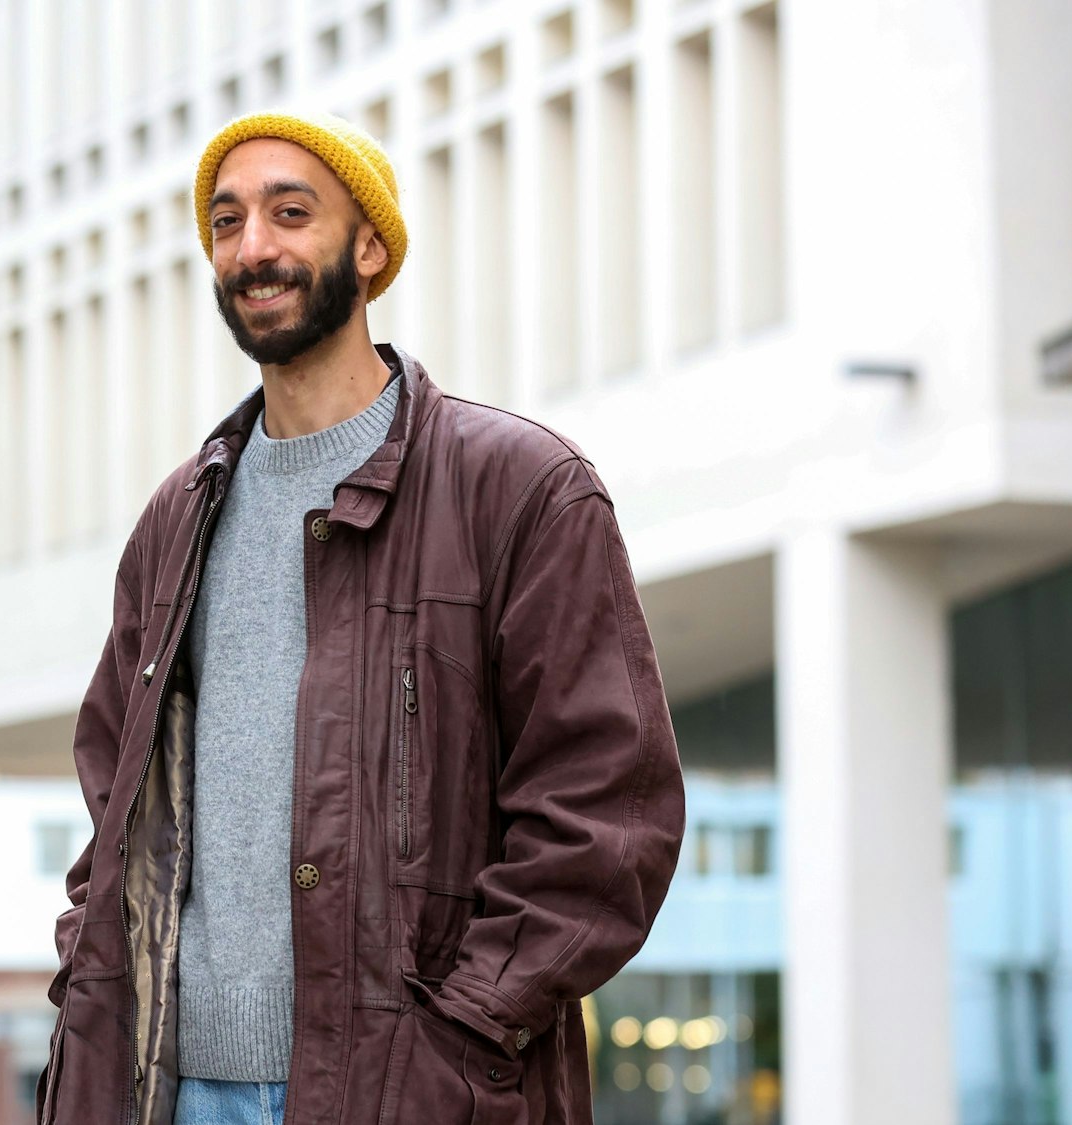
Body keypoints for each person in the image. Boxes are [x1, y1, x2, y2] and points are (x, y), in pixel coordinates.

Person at [37, 111, 685, 1125]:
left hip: (410, 1090)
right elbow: (114, 811)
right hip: (168, 1090)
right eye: (226, 221)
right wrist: (87, 990)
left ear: (369, 248)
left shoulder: (517, 488)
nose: (253, 248)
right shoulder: (177, 516)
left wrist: (461, 1032)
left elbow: (609, 819)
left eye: (290, 213)